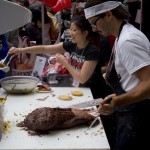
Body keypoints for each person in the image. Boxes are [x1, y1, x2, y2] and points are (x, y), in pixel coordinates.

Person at [84, 1, 150, 150]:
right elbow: (132, 79)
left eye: (94, 23)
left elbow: (149, 83)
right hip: (131, 110)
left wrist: (118, 101)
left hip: (138, 115)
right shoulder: (123, 35)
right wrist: (116, 96)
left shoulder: (128, 40)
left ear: (108, 14)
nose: (94, 29)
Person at [8, 15, 111, 99]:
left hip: (95, 94)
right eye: (70, 29)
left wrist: (65, 63)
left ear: (85, 33)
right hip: (82, 90)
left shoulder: (92, 51)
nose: (71, 33)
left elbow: (82, 78)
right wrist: (20, 50)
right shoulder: (71, 45)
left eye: (74, 30)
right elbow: (44, 48)